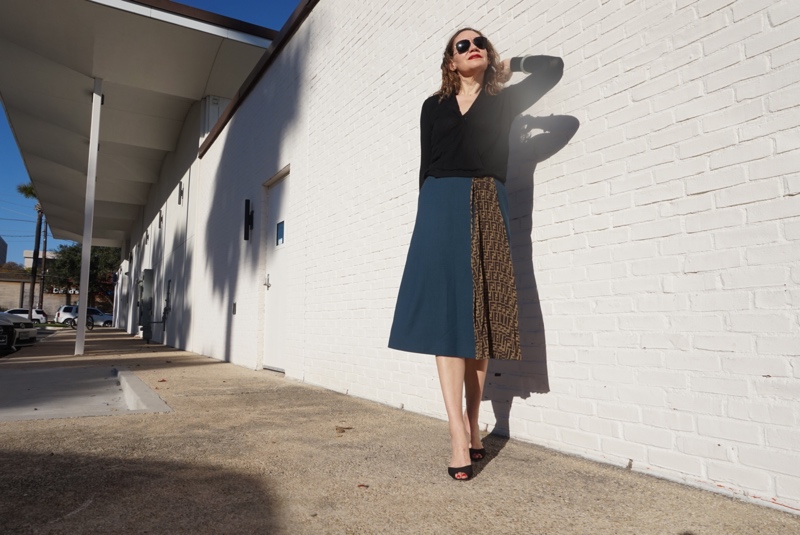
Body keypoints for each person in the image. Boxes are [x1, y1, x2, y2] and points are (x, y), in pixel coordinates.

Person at [388, 27, 564, 481]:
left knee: (481, 314)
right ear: (450, 61)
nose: (472, 49)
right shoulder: (434, 106)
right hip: (440, 204)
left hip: (488, 200)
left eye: (479, 44)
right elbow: (425, 165)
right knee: (448, 317)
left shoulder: (503, 102)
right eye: (462, 45)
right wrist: (426, 215)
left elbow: (553, 70)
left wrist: (510, 66)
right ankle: (457, 432)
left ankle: (474, 425)